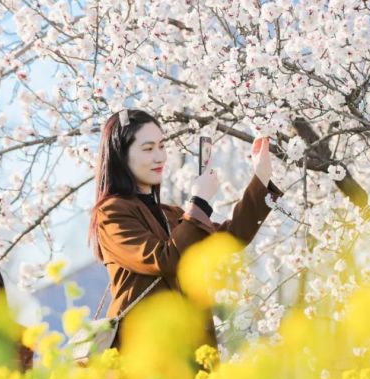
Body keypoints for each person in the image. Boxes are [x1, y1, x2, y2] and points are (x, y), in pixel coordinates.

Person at [89, 109, 282, 351]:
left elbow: (230, 239)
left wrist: (261, 178)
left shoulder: (172, 214)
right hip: (149, 358)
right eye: (148, 149)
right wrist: (199, 202)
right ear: (121, 156)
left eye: (161, 146)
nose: (159, 157)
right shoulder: (111, 213)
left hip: (193, 352)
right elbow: (165, 259)